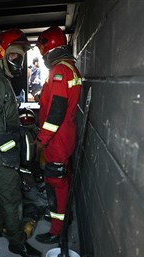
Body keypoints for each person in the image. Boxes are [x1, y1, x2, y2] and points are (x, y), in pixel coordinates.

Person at [0, 28, 42, 257]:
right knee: (12, 194)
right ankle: (16, 242)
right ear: (2, 53)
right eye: (14, 56)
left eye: (20, 57)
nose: (17, 61)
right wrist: (8, 151)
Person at [33, 26, 82, 244]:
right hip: (65, 136)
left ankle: (57, 229)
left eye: (42, 52)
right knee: (61, 179)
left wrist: (41, 140)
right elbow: (56, 102)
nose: (42, 57)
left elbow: (55, 114)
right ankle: (58, 216)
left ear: (48, 49)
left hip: (56, 140)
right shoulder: (70, 68)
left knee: (56, 182)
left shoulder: (59, 72)